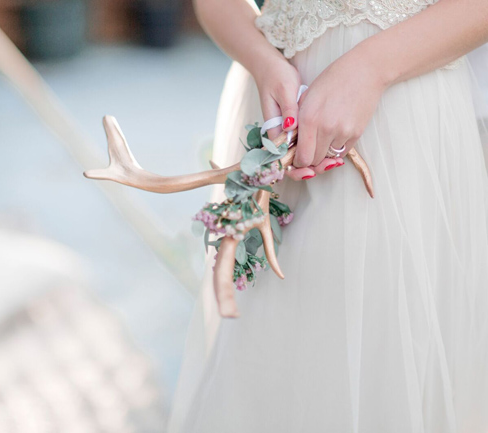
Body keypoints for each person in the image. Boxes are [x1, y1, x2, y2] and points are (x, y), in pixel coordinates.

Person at [167, 1, 488, 432]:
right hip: (276, 106)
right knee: (262, 366)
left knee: (377, 365)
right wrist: (263, 63)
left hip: (400, 112)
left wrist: (370, 68)